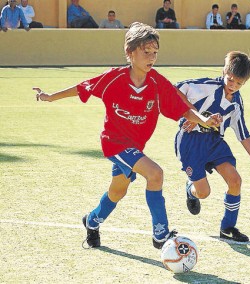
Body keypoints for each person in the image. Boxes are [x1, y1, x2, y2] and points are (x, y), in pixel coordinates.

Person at [33, 22, 221, 249]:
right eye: (146, 52)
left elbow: (182, 109)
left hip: (135, 147)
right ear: (130, 52)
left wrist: (203, 120)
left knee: (117, 191)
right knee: (155, 174)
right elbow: (84, 87)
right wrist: (50, 96)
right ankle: (161, 235)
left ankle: (92, 221)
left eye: (155, 53)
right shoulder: (114, 78)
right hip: (114, 143)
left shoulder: (157, 81)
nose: (151, 57)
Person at [174, 51, 250, 242]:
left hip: (215, 143)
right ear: (224, 71)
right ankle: (191, 189)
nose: (233, 85)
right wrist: (194, 115)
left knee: (235, 181)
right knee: (204, 193)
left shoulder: (236, 102)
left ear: (244, 83)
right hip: (191, 141)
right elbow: (175, 90)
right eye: (230, 79)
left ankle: (228, 227)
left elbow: (242, 133)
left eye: (238, 83)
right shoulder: (204, 86)